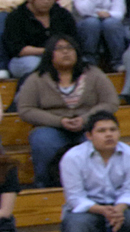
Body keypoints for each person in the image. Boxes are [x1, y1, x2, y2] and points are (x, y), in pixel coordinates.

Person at [18, 36, 119, 187]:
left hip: (89, 125)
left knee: (100, 139)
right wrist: (59, 121)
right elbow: (25, 109)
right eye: (59, 49)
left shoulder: (94, 74)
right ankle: (45, 187)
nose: (66, 52)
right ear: (50, 54)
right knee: (42, 141)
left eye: (70, 48)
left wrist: (85, 119)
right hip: (51, 126)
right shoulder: (36, 79)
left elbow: (111, 102)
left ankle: (99, 186)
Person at [4, 0, 77, 80]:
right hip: (24, 59)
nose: (46, 2)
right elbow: (18, 49)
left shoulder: (62, 14)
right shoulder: (16, 17)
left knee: (83, 65)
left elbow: (73, 40)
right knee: (37, 65)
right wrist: (48, 51)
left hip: (59, 54)